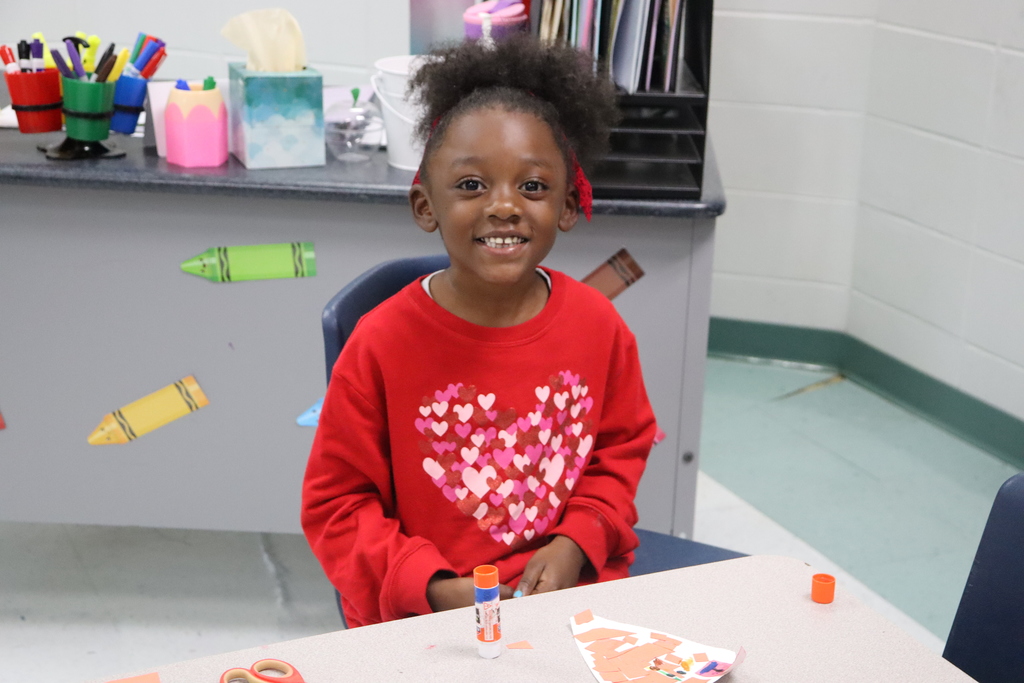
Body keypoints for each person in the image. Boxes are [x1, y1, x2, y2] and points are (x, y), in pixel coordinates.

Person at [301, 34, 657, 628]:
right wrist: (433, 588)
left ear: (569, 205)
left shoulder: (599, 324)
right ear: (425, 206)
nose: (504, 206)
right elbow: (337, 508)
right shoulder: (380, 343)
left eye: (533, 186)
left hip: (567, 603)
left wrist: (574, 542)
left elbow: (620, 453)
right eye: (471, 185)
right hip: (426, 616)